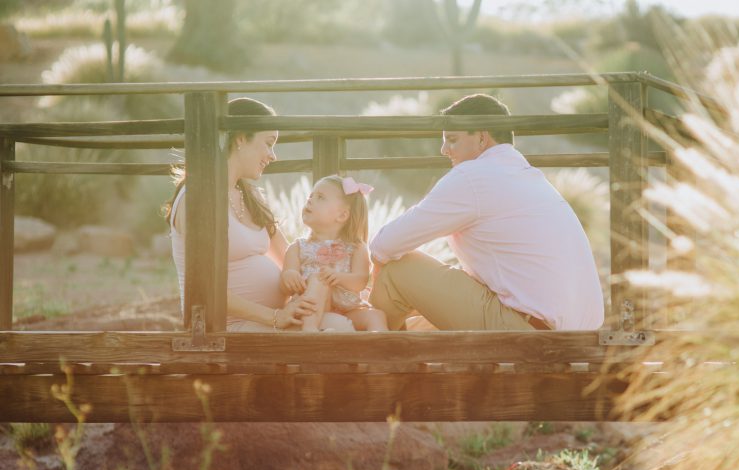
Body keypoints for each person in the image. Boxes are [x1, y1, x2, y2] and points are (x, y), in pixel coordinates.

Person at [368, 93, 604, 331]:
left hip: (529, 335)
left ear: (482, 138)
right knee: (419, 326)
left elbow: (385, 244)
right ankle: (400, 357)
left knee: (398, 270)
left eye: (451, 139)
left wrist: (377, 271)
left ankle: (378, 359)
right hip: (572, 340)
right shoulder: (529, 177)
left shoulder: (473, 176)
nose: (443, 150)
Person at [167, 97, 354, 332]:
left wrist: (339, 278)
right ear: (242, 139)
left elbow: (289, 255)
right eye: (268, 143)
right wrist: (275, 316)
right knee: (337, 336)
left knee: (344, 324)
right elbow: (205, 288)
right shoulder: (197, 198)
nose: (273, 155)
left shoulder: (251, 196)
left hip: (272, 318)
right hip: (226, 326)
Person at [281, 175, 388, 332]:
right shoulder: (297, 247)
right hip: (311, 310)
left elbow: (360, 281)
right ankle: (309, 331)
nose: (309, 200)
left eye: (320, 197)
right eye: (310, 196)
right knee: (318, 279)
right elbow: (285, 288)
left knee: (377, 315)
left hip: (348, 309)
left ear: (342, 215)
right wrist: (289, 276)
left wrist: (338, 277)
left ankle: (380, 350)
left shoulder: (356, 247)